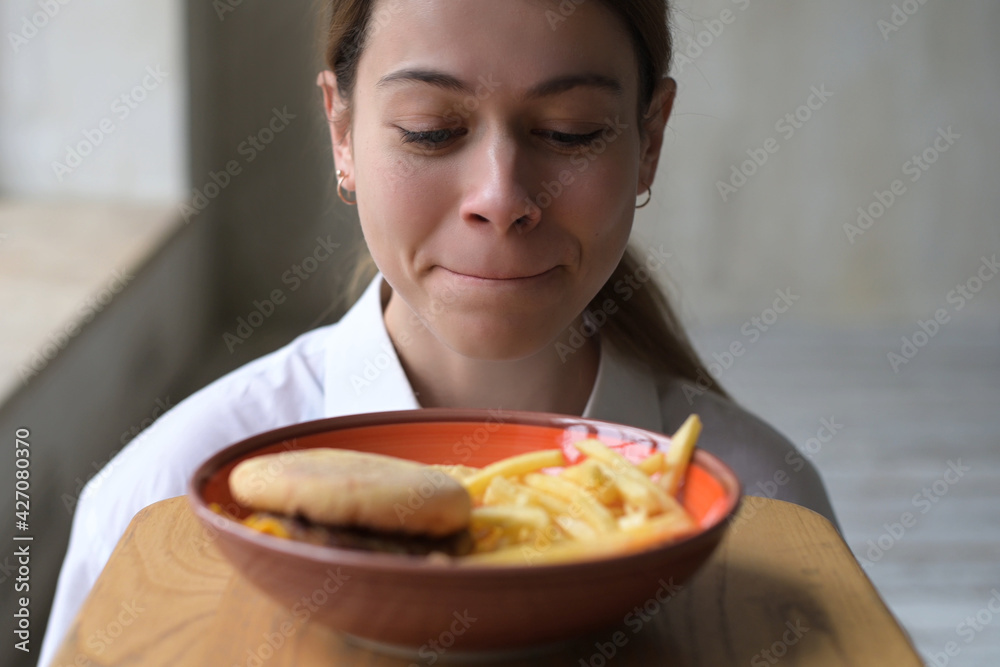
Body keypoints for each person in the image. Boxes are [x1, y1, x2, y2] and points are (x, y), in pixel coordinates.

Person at [38, 1, 838, 664]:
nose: (501, 195)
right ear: (342, 133)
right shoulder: (157, 499)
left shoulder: (765, 505)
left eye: (569, 131)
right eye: (430, 130)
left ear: (649, 140)